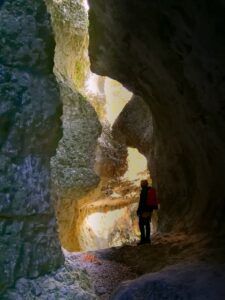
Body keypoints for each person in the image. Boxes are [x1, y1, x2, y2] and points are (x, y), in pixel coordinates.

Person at [137, 180, 153, 245]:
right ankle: (147, 239)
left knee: (141, 224)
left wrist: (139, 210)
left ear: (143, 185)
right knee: (147, 224)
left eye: (141, 184)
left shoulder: (144, 191)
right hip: (149, 210)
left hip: (144, 211)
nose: (141, 185)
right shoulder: (149, 190)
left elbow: (142, 202)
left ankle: (143, 239)